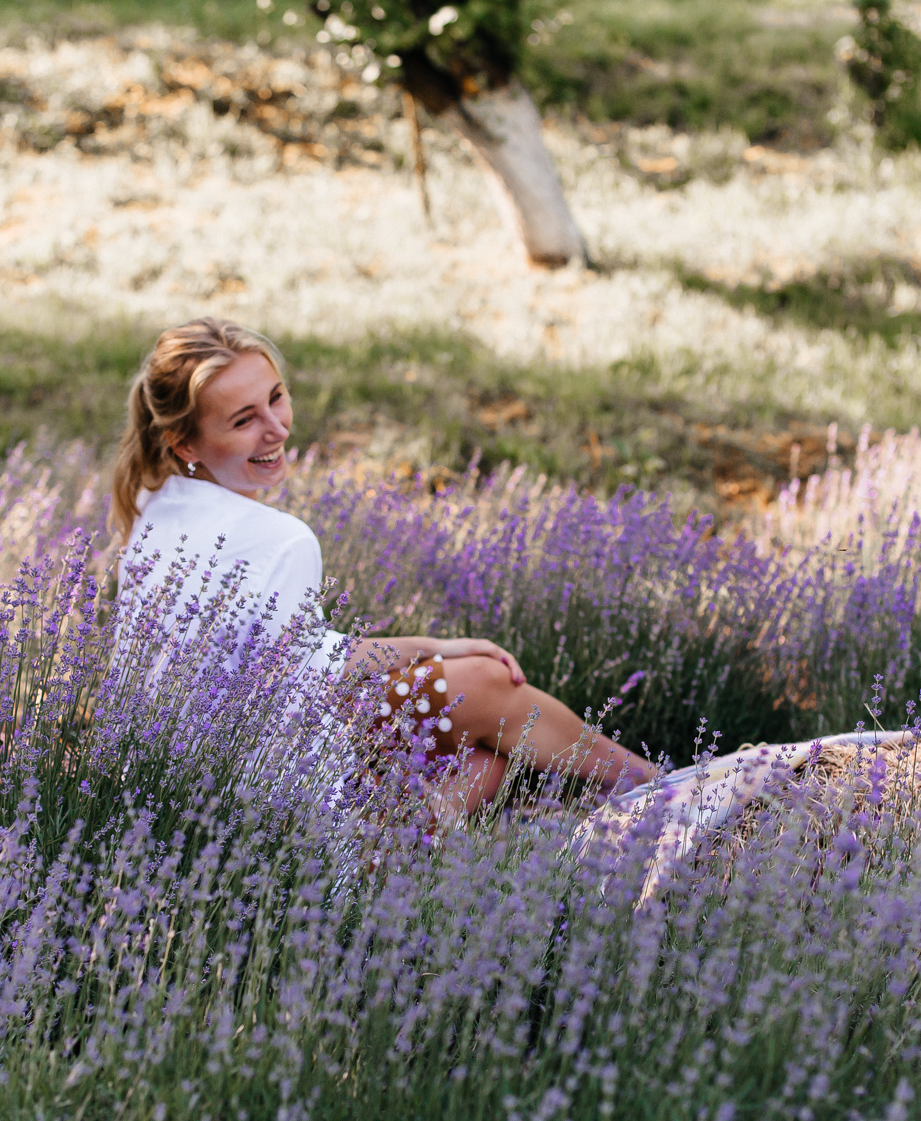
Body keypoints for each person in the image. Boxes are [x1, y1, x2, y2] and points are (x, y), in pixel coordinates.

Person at [111, 316, 656, 814]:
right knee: (483, 697)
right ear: (185, 441)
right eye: (244, 420)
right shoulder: (280, 540)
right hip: (269, 797)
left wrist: (435, 651)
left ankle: (638, 792)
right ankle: (667, 791)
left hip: (174, 785)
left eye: (276, 398)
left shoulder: (154, 506)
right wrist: (433, 656)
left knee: (480, 749)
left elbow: (298, 661)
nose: (276, 428)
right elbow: (301, 688)